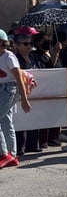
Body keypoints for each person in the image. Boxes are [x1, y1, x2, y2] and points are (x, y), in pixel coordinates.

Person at [12, 28, 48, 155]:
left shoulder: (36, 57)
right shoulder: (14, 60)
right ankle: (20, 146)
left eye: (31, 43)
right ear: (16, 45)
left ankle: (33, 144)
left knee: (35, 117)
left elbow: (47, 69)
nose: (29, 46)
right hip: (20, 94)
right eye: (25, 44)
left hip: (36, 92)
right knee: (21, 119)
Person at [0, 30, 32, 168]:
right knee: (6, 122)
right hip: (2, 89)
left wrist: (24, 98)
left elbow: (19, 79)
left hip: (9, 89)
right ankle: (12, 155)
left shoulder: (9, 57)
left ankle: (4, 154)